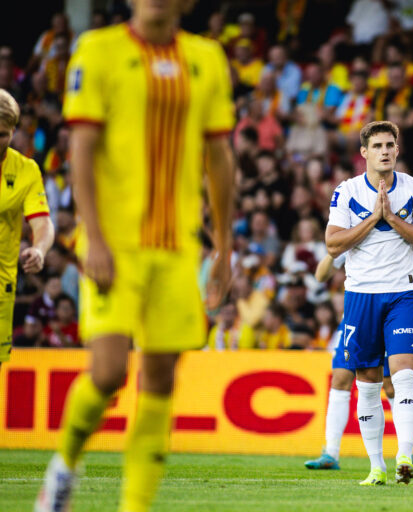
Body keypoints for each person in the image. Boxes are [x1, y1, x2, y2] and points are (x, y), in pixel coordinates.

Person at [36, 2, 236, 511]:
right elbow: (82, 149)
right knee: (108, 373)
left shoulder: (207, 58)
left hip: (177, 248)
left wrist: (224, 246)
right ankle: (63, 467)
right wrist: (94, 237)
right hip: (115, 244)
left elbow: (218, 157)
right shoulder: (98, 50)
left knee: (161, 377)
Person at [325, 120, 413, 485]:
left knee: (404, 375)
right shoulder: (347, 191)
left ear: (397, 149)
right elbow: (333, 244)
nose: (385, 151)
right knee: (368, 384)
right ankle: (377, 467)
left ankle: (405, 454)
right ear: (364, 153)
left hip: (403, 293)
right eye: (377, 146)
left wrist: (392, 218)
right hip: (361, 295)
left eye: (390, 145)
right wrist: (375, 218)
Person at [304, 253, 396, 470]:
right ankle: (331, 453)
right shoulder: (353, 237)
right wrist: (333, 251)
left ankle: (406, 451)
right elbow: (320, 275)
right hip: (354, 315)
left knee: (389, 384)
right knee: (340, 378)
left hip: (386, 310)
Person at [0, 88, 54, 369]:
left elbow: (42, 222)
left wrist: (39, 249)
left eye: (1, 135)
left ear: (13, 132)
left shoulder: (26, 170)